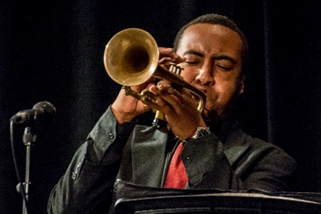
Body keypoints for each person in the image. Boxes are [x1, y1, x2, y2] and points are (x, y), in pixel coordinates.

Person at [47, 13, 297, 213]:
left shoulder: (269, 160)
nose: (204, 76)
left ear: (241, 84)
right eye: (191, 61)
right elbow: (64, 209)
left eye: (222, 66)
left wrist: (196, 137)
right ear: (172, 67)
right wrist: (118, 116)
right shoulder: (124, 145)